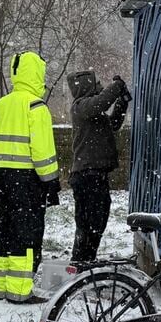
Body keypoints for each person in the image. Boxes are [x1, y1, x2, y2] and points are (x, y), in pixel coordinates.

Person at [0, 52, 60, 303]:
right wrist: (51, 182)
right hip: (27, 178)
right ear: (37, 74)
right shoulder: (36, 106)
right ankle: (19, 291)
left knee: (5, 227)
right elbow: (42, 150)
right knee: (26, 232)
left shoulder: (1, 104)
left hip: (0, 175)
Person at [66, 71, 130, 263]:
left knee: (96, 222)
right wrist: (116, 87)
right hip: (87, 176)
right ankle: (80, 264)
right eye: (97, 83)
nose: (101, 86)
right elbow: (101, 102)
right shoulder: (80, 107)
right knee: (89, 225)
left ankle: (85, 262)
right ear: (87, 86)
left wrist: (122, 103)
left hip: (94, 175)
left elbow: (113, 124)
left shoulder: (93, 113)